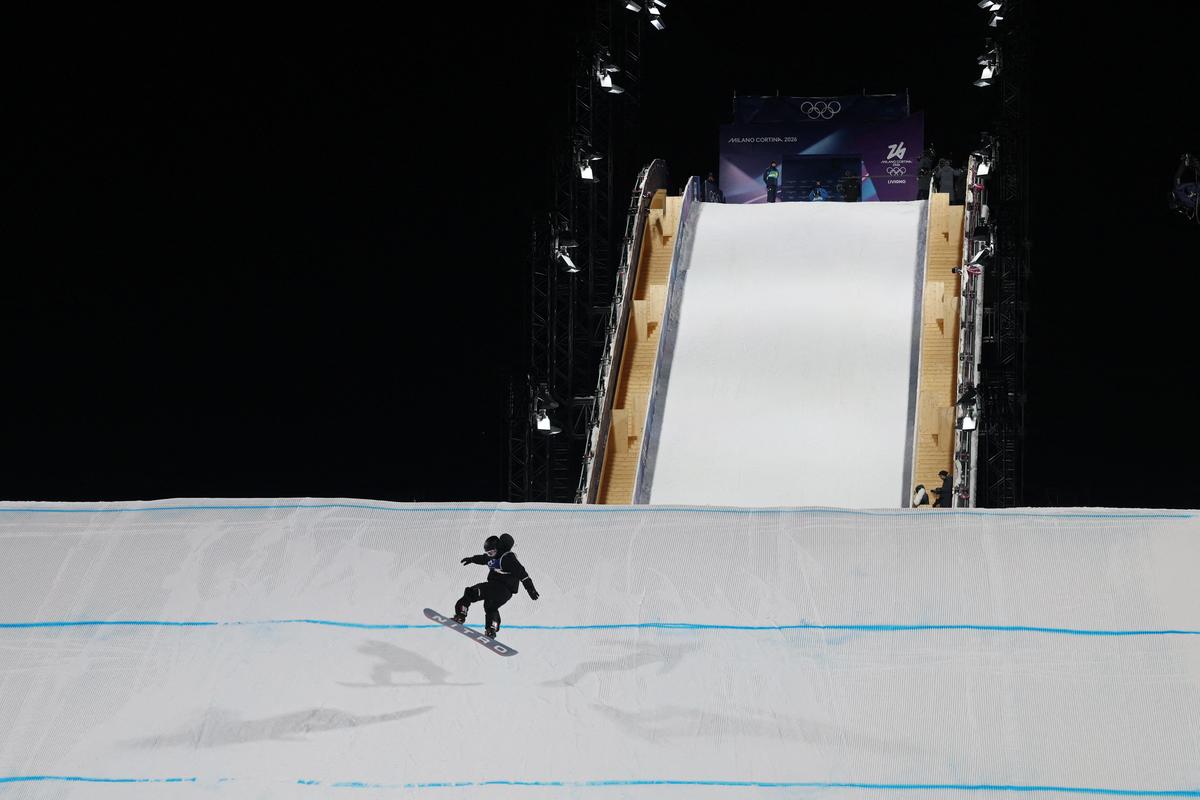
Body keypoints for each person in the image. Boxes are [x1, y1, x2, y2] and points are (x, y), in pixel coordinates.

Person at [453, 533, 539, 638]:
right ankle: (491, 629)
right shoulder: (491, 557)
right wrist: (471, 559)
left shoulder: (508, 558)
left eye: (492, 552)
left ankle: (461, 615)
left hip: (499, 588)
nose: (490, 554)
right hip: (504, 594)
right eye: (488, 552)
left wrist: (531, 589)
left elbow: (523, 574)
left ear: (498, 548)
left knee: (472, 592)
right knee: (490, 607)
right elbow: (483, 558)